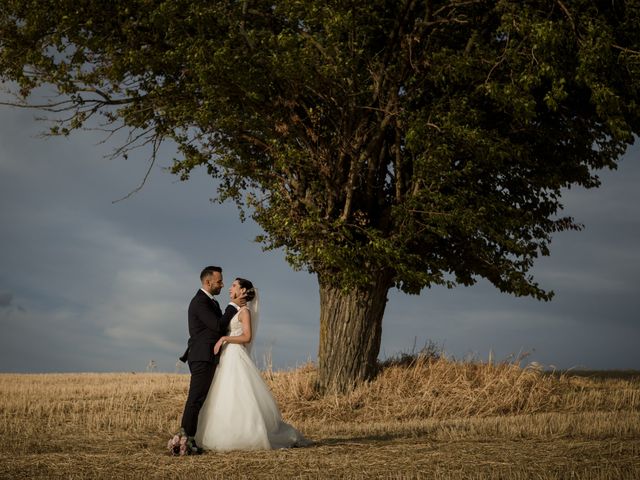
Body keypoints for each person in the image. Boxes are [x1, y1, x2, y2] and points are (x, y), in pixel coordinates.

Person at [194, 277, 310, 450]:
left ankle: (246, 434)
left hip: (235, 355)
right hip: (227, 356)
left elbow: (246, 337)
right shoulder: (234, 309)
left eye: (234, 285)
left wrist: (225, 337)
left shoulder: (245, 312)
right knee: (223, 394)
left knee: (237, 393)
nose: (229, 287)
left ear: (242, 291)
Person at [176, 266, 246, 455]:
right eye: (219, 281)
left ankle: (188, 438)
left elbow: (219, 328)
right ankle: (185, 439)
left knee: (199, 399)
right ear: (208, 282)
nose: (222, 284)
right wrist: (232, 306)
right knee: (195, 398)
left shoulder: (211, 303)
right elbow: (217, 326)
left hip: (208, 356)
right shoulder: (200, 302)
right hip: (201, 356)